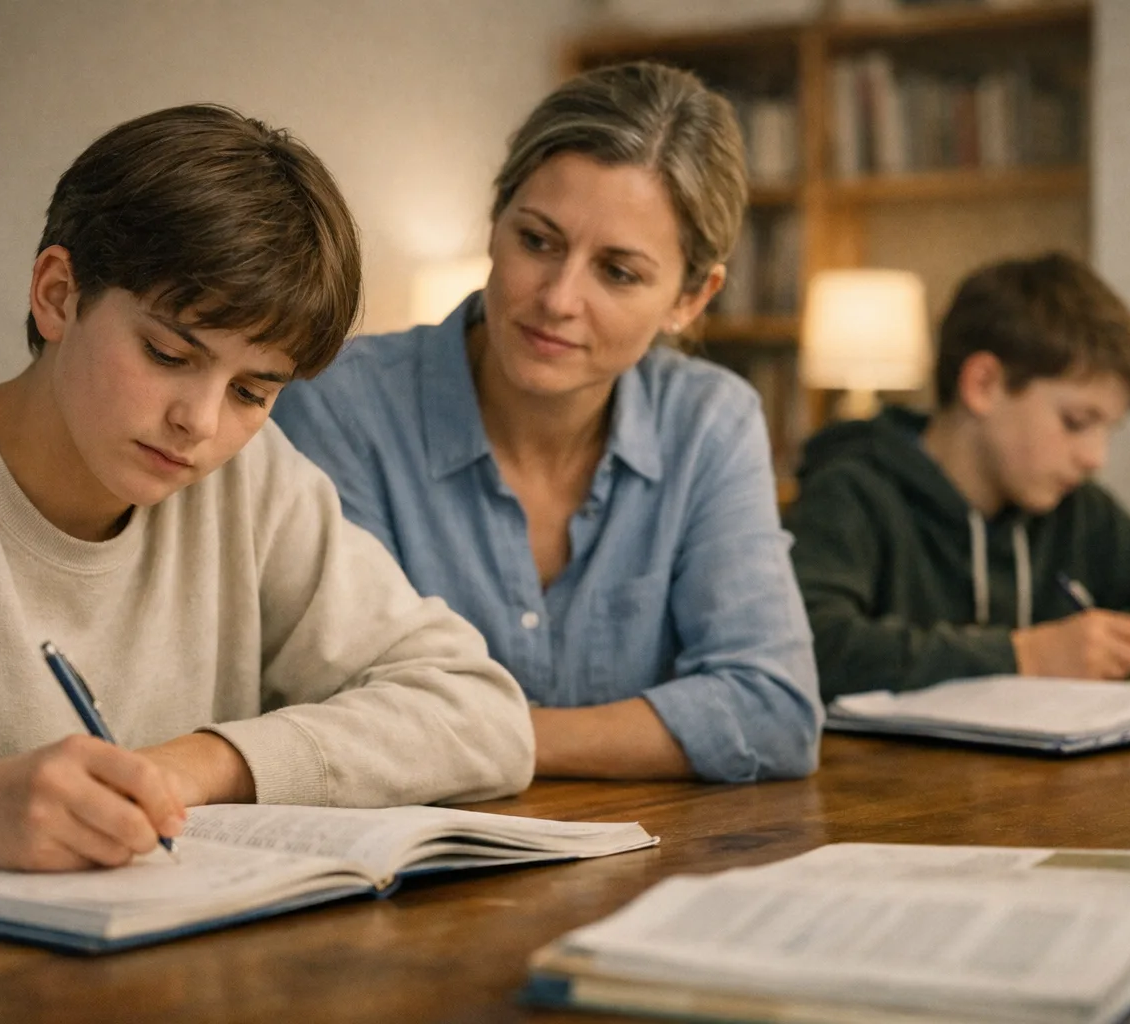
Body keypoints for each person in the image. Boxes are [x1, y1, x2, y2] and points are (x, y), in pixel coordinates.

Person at [0, 105, 534, 881]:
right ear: (57, 294)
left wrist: (197, 766)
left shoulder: (248, 482)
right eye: (166, 353)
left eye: (253, 392)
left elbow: (480, 712)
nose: (199, 423)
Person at [273, 63, 822, 784]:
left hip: (650, 862)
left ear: (691, 298)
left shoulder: (710, 424)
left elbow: (773, 711)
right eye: (537, 240)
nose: (559, 299)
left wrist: (482, 734)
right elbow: (342, 711)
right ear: (496, 220)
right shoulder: (340, 402)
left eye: (617, 272)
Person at [785, 251, 1130, 701]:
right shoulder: (852, 492)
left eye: (1108, 430)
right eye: (1077, 422)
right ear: (984, 385)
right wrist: (1027, 656)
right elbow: (810, 645)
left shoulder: (1074, 509)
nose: (1096, 457)